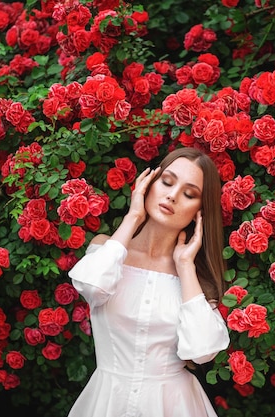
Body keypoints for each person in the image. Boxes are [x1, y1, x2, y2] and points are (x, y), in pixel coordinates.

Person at [67, 147, 230, 417]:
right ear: (149, 184)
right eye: (167, 181)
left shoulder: (196, 279)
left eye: (189, 194)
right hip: (108, 403)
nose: (172, 196)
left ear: (200, 212)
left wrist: (185, 266)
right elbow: (92, 287)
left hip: (174, 407)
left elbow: (203, 351)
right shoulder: (107, 251)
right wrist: (134, 217)